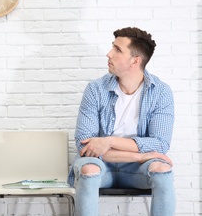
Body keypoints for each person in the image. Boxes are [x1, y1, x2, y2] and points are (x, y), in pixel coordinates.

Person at [68, 27, 175, 216]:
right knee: (89, 169)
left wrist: (108, 141)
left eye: (118, 50)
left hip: (138, 172)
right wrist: (140, 155)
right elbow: (85, 146)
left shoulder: (160, 92)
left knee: (162, 170)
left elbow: (160, 144)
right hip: (102, 165)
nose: (109, 54)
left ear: (135, 61)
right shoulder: (95, 90)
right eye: (112, 47)